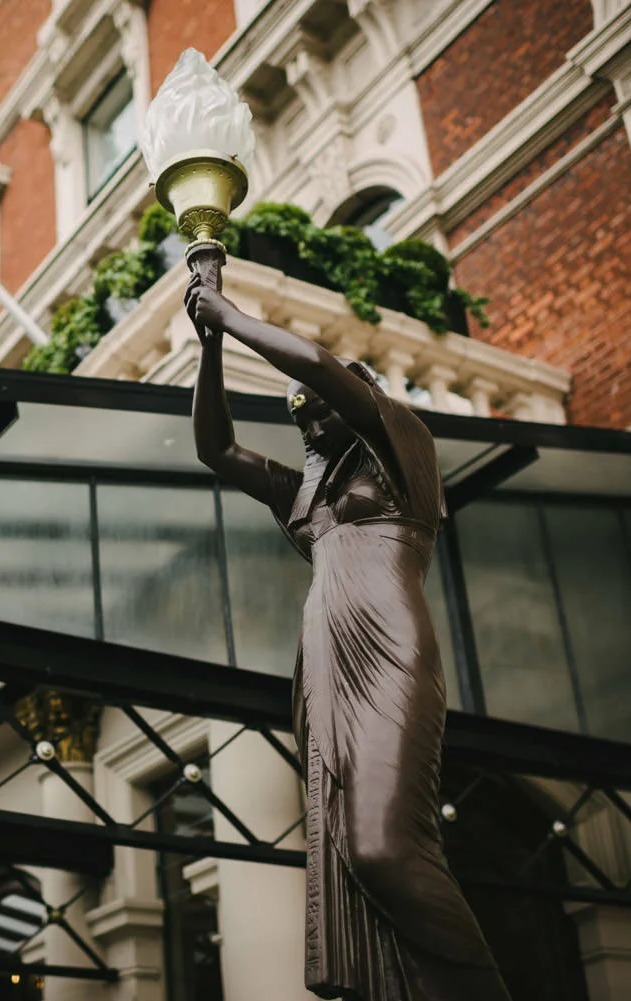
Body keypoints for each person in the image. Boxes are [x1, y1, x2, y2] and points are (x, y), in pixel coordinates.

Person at [185, 271, 511, 1001]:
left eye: (319, 404)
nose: (308, 417)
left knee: (385, 847)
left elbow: (315, 362)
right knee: (354, 852)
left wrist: (230, 315)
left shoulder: (403, 450)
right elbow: (216, 448)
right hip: (326, 660)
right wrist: (208, 344)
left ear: (361, 398)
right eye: (298, 415)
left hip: (388, 641)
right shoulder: (305, 495)